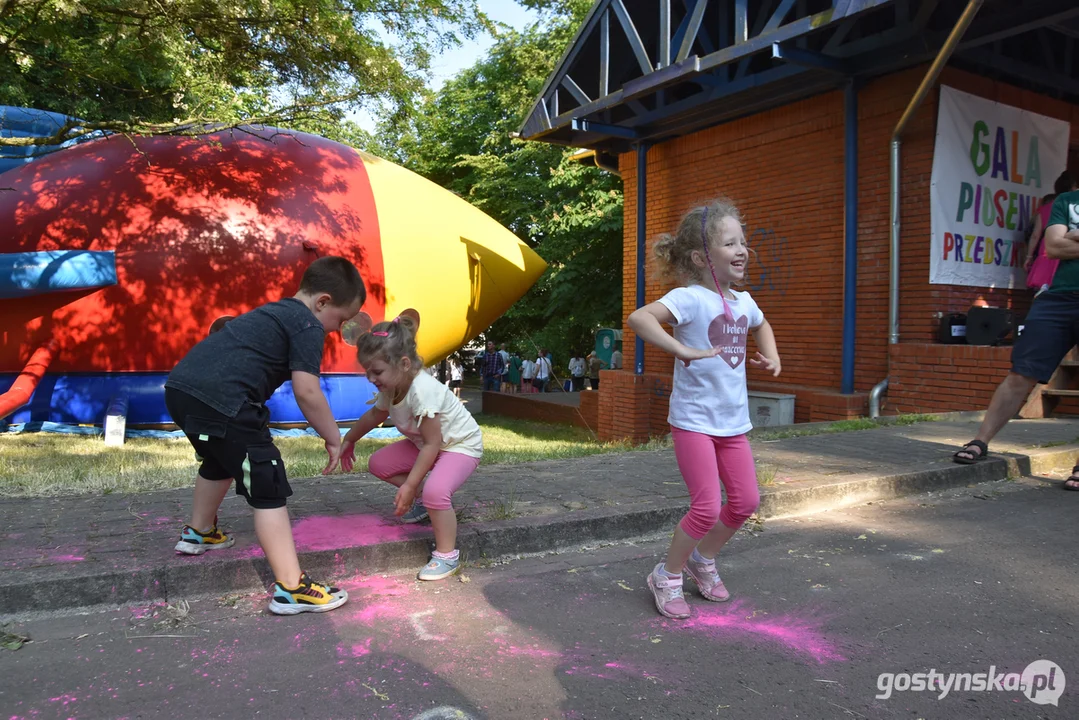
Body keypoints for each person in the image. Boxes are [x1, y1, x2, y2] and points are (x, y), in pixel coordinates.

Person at [164, 256, 365, 615]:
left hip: (181, 390)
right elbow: (307, 391)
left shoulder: (274, 312)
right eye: (340, 320)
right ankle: (291, 588)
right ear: (322, 302)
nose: (337, 329)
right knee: (266, 477)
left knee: (220, 458)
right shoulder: (307, 325)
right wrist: (334, 437)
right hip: (227, 399)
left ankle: (199, 533)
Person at [627, 199, 781, 619]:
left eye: (743, 242)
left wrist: (772, 356)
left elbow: (761, 324)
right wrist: (682, 348)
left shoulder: (744, 302)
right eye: (730, 243)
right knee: (707, 506)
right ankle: (667, 573)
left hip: (732, 424)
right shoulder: (690, 298)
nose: (742, 250)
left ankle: (703, 559)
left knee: (746, 501)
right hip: (693, 423)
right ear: (701, 257)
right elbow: (640, 318)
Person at [953, 180, 1079, 491]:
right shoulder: (1067, 200)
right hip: (1059, 299)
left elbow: (1065, 244)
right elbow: (1053, 247)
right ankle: (980, 441)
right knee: (1021, 373)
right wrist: (1064, 242)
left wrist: (1073, 238)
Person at [340, 315, 483, 580]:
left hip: (459, 445)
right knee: (378, 464)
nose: (371, 378)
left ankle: (447, 555)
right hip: (429, 444)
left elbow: (432, 444)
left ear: (404, 364)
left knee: (436, 491)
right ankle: (425, 502)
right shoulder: (393, 384)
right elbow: (375, 415)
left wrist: (408, 485)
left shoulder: (422, 390)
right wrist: (349, 439)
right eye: (367, 371)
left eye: (377, 371)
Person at [1024, 172, 1078, 295]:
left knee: (1041, 293)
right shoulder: (1071, 205)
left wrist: (1029, 256)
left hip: (1047, 250)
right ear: (1073, 187)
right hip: (1065, 252)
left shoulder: (1045, 208)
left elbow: (1035, 235)